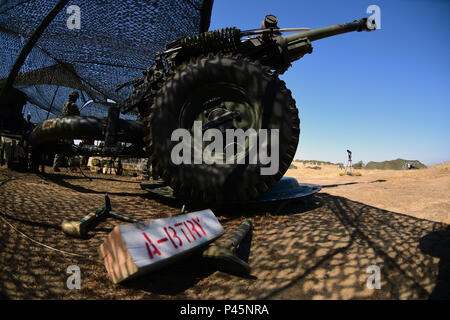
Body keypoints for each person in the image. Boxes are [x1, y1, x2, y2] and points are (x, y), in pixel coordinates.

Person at [53, 90, 81, 172]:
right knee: (71, 147)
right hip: (69, 128)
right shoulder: (73, 105)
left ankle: (55, 164)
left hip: (62, 127)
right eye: (75, 97)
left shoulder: (65, 105)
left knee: (60, 147)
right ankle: (71, 166)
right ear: (74, 97)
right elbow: (77, 116)